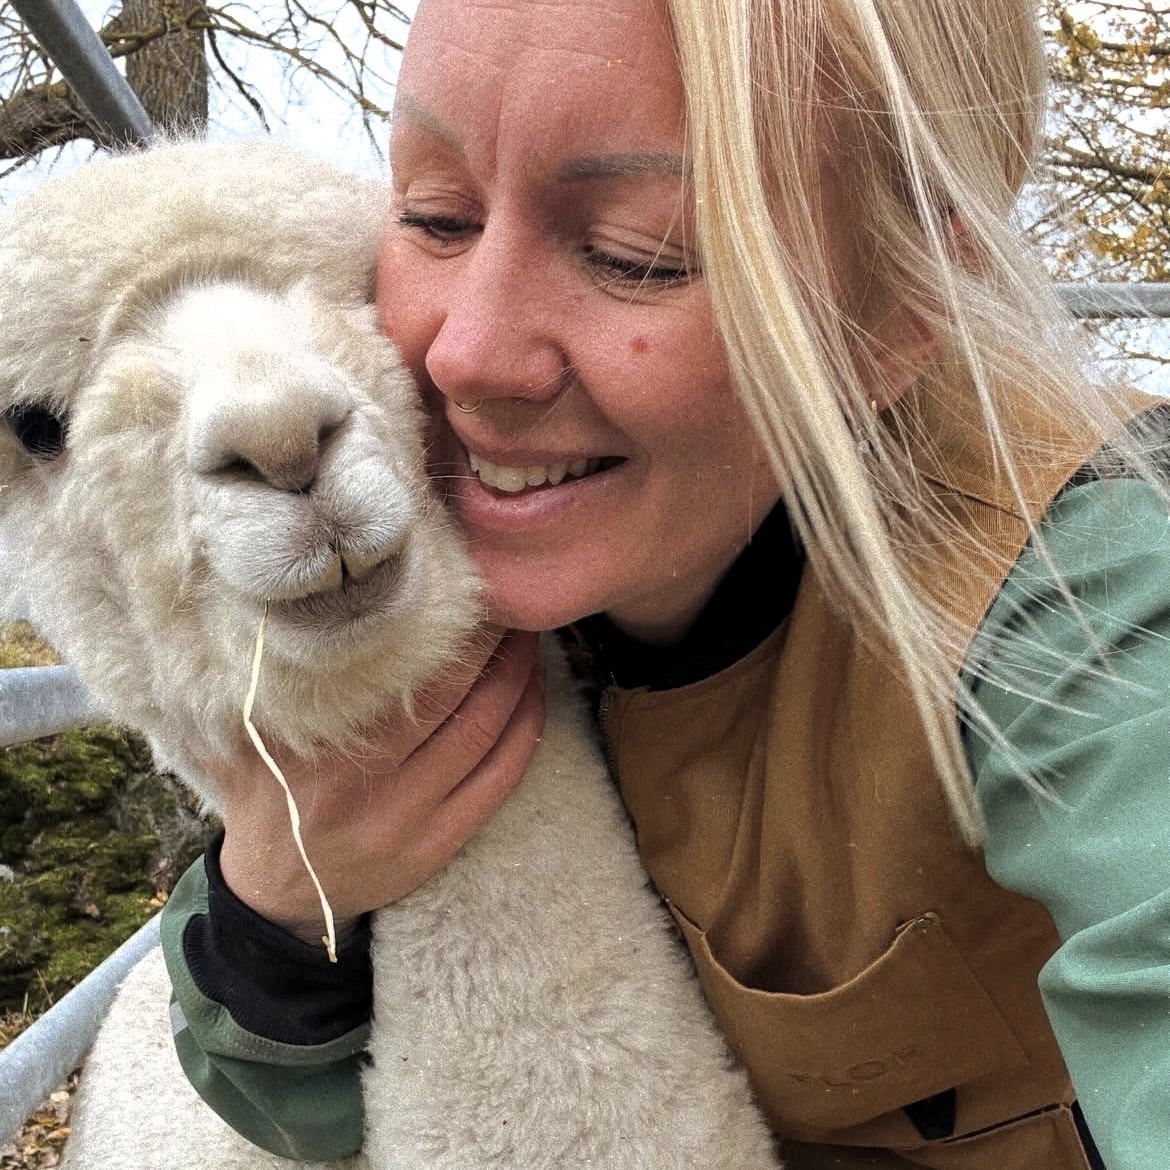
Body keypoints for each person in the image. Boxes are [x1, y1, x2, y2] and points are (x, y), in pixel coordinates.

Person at [158, 0, 1170, 1165]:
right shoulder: (409, 545)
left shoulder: (1084, 590)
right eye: (435, 214)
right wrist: (277, 911)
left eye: (635, 251)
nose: (465, 354)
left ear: (900, 310)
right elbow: (316, 1104)